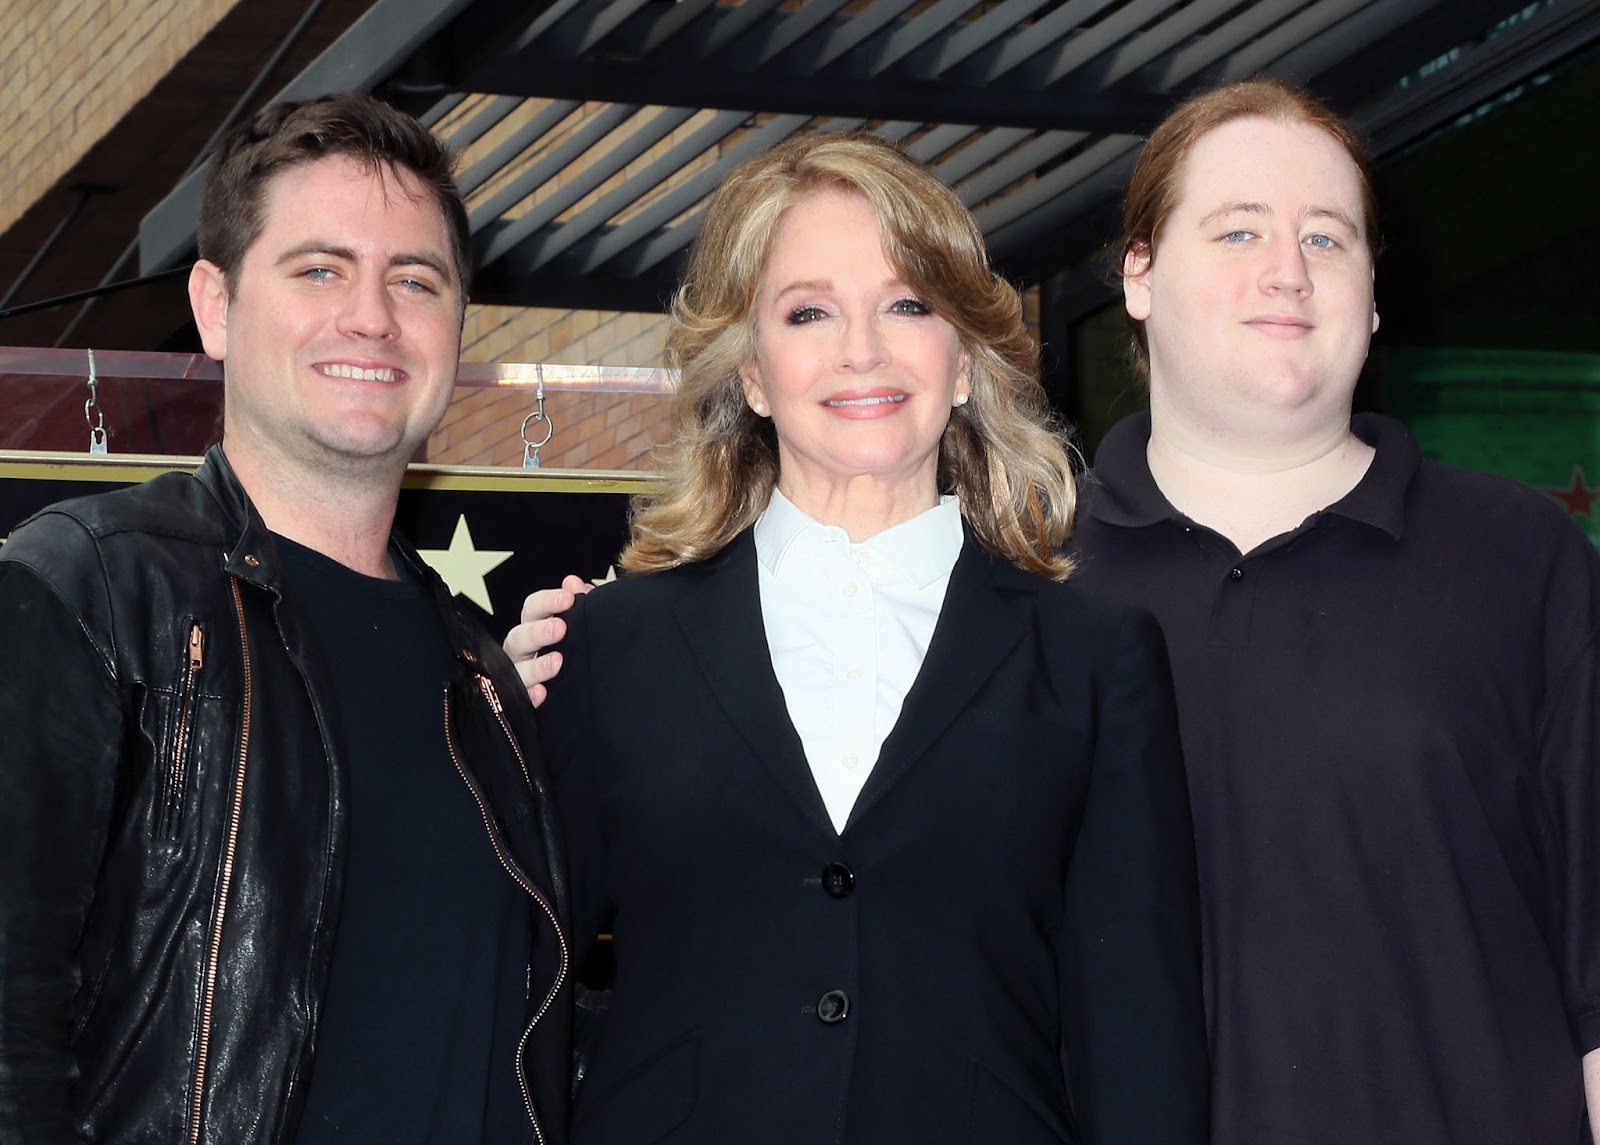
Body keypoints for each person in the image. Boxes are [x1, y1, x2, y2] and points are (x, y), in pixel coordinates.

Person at [522, 132, 1208, 1144]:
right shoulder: (607, 647)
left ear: (964, 357)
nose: (861, 350)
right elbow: (509, 996)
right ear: (752, 373)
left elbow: (1138, 1043)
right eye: (808, 312)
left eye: (906, 304)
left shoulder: (1096, 662)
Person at [0, 92, 570, 1144]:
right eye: (319, 269)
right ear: (215, 307)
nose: (372, 316)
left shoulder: (484, 686)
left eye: (415, 279)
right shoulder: (86, 591)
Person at [1067, 78, 1600, 1143]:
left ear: (1368, 295)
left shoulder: (1521, 560)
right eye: (1237, 230)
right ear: (1139, 272)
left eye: (1326, 236)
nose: (1286, 271)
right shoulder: (1019, 581)